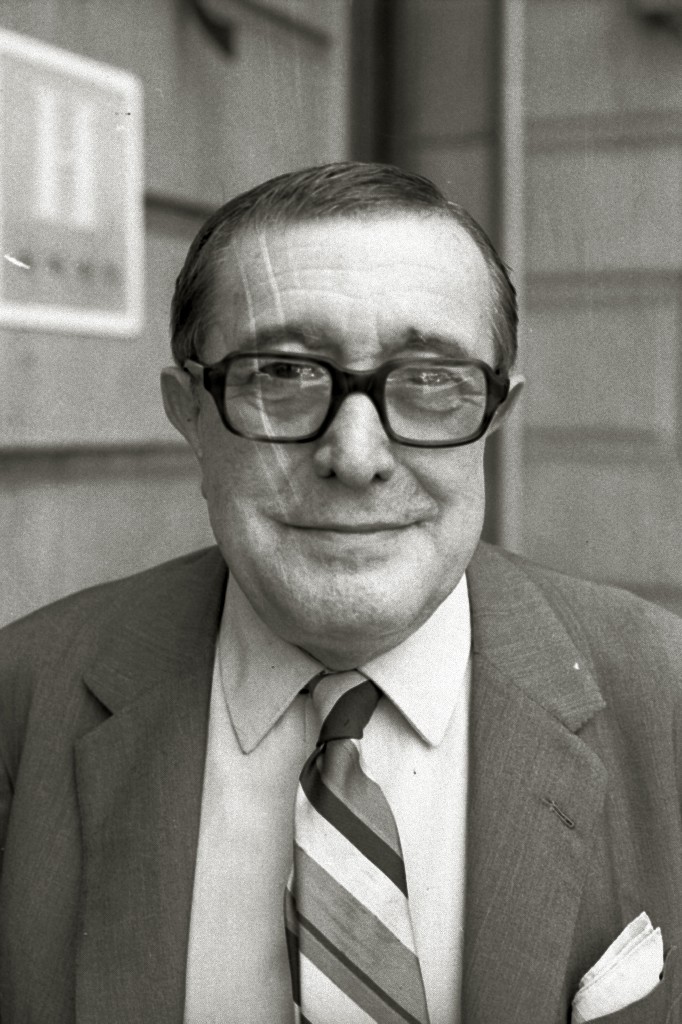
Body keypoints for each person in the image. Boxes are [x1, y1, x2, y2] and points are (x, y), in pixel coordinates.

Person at [0, 162, 681, 1024]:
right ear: (189, 412)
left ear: (496, 417)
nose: (356, 458)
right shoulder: (23, 699)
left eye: (430, 380)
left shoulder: (666, 695)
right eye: (283, 375)